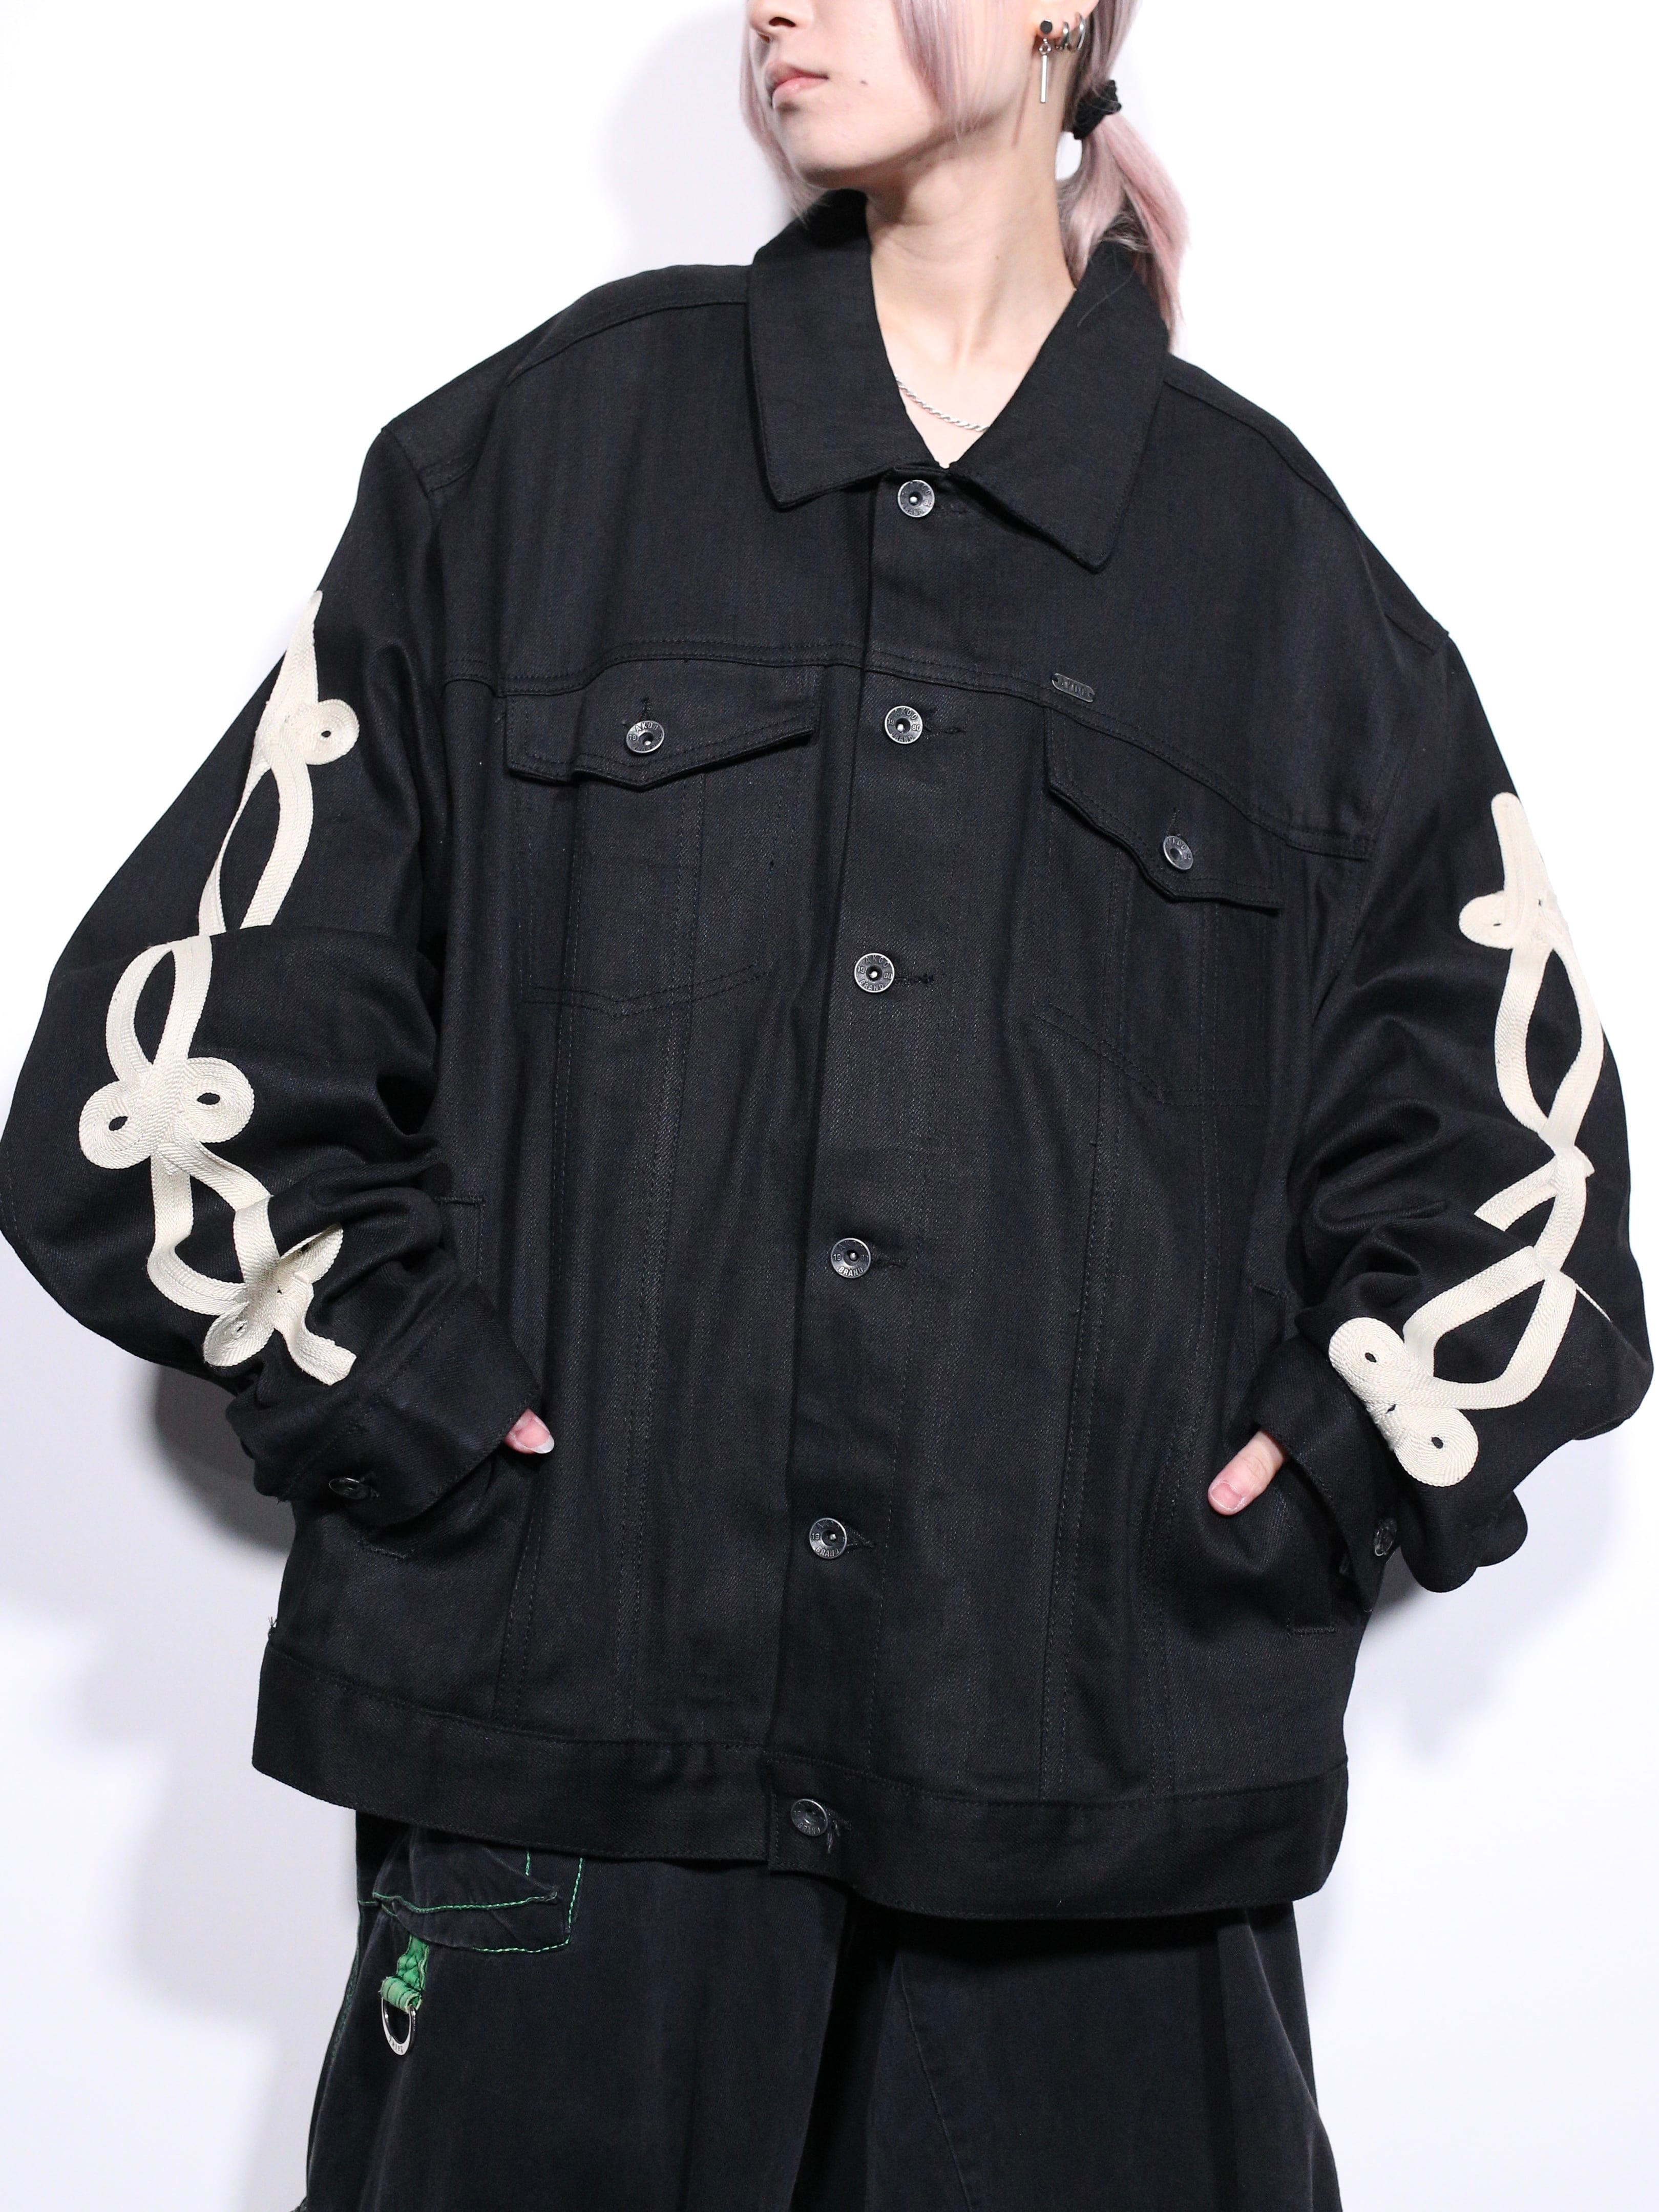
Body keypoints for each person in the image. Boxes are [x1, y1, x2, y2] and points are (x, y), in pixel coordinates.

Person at [1, 0, 1647, 2204]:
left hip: (1098, 1840)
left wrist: (1318, 1471)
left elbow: (1528, 1204)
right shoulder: (545, 465)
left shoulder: (1278, 583)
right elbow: (163, 1079)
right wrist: (423, 1404)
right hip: (571, 1789)